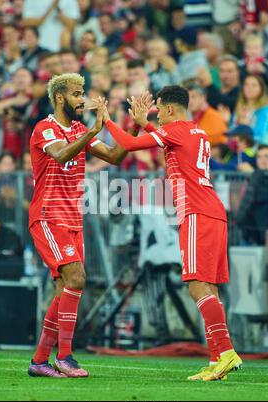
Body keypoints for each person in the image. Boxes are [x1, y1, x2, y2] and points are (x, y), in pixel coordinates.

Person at [101, 85, 242, 381]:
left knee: (196, 285)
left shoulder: (175, 130)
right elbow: (170, 143)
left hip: (196, 212)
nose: (157, 117)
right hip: (213, 211)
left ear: (168, 109)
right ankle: (218, 359)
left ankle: (226, 351)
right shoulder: (195, 131)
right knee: (211, 288)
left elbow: (126, 143)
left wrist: (107, 120)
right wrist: (145, 124)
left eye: (158, 111)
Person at [27, 72, 137, 378]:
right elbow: (61, 155)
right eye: (77, 94)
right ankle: (65, 356)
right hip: (49, 215)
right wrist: (91, 132)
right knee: (76, 278)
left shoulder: (77, 128)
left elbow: (115, 156)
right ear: (60, 97)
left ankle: (38, 361)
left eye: (83, 93)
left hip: (73, 218)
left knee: (65, 289)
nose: (82, 99)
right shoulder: (45, 128)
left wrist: (135, 127)